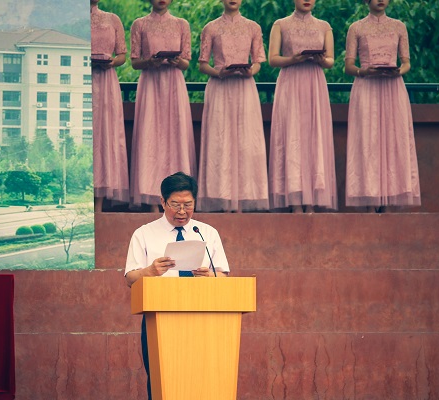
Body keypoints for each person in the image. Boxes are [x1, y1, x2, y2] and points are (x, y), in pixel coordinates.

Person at [124, 172, 230, 399]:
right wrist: (150, 271)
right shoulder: (144, 234)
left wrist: (211, 276)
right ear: (163, 202)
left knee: (202, 378)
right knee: (162, 378)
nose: (182, 211)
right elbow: (130, 278)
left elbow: (223, 275)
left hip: (203, 316)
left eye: (188, 205)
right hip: (159, 316)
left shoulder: (207, 233)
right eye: (175, 205)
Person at [344, 0, 420, 212]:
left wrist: (398, 71)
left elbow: (406, 62)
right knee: (367, 141)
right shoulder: (356, 28)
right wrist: (364, 71)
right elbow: (348, 66)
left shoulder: (399, 26)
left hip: (393, 87)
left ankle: (387, 202)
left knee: (393, 139)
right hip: (366, 87)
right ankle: (370, 201)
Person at [196, 0, 268, 213]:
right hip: (220, 87)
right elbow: (202, 64)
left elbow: (258, 61)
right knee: (220, 141)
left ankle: (242, 200)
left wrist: (250, 71)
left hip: (245, 88)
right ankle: (223, 199)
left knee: (246, 142)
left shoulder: (253, 27)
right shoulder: (210, 28)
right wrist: (218, 72)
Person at [268, 0, 337, 213]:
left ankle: (311, 201)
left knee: (314, 136)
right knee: (292, 136)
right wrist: (293, 58)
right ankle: (295, 201)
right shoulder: (280, 24)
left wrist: (321, 59)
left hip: (315, 84)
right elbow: (272, 59)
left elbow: (331, 60)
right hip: (290, 81)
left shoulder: (324, 26)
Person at [129, 0, 197, 211]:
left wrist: (177, 61)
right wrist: (150, 62)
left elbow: (186, 62)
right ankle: (152, 201)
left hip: (174, 85)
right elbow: (134, 61)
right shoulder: (139, 24)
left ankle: (178, 199)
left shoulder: (181, 24)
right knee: (150, 137)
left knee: (176, 138)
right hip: (150, 83)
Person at [91, 0, 129, 213]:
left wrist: (111, 62)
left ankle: (99, 205)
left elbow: (122, 55)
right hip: (79, 79)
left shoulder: (113, 19)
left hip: (106, 81)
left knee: (105, 136)